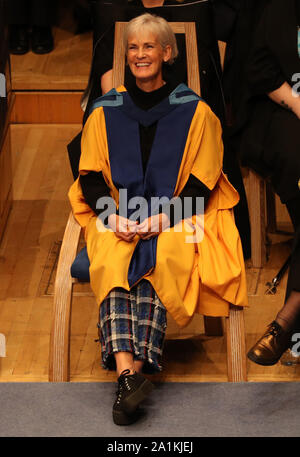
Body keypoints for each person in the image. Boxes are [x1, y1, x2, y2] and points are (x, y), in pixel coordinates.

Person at [69, 13, 248, 425]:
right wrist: (113, 218)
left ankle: (129, 376)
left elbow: (202, 187)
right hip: (120, 216)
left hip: (178, 217)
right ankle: (131, 376)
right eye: (133, 47)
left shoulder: (196, 112)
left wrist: (162, 219)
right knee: (113, 259)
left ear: (168, 53)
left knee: (163, 254)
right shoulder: (104, 110)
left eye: (149, 46)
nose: (140, 54)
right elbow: (91, 179)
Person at [240, 0, 300, 366]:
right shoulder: (280, 7)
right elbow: (259, 70)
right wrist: (296, 102)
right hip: (282, 108)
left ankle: (286, 322)